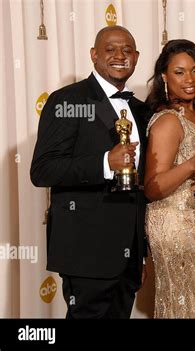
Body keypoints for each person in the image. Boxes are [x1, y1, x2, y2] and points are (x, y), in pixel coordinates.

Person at [30, 26, 150, 318]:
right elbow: (42, 170)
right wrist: (105, 162)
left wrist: (141, 253)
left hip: (129, 255)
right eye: (110, 49)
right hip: (87, 253)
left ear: (136, 57)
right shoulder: (68, 101)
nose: (120, 56)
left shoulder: (141, 109)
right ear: (94, 55)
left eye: (127, 50)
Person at [144, 39, 195, 318]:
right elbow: (153, 188)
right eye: (179, 72)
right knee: (184, 307)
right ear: (164, 77)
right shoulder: (169, 121)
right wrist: (192, 164)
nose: (189, 79)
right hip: (174, 228)